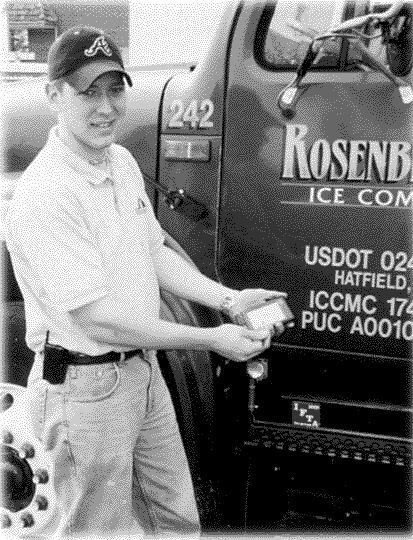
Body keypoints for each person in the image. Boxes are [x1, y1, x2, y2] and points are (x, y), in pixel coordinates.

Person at [5, 26, 286, 538]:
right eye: (88, 92)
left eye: (115, 90)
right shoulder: (46, 194)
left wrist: (230, 300)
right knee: (96, 531)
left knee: (175, 520)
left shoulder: (120, 161)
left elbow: (154, 252)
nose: (106, 107)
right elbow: (99, 322)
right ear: (54, 95)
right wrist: (210, 338)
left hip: (142, 373)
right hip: (85, 390)